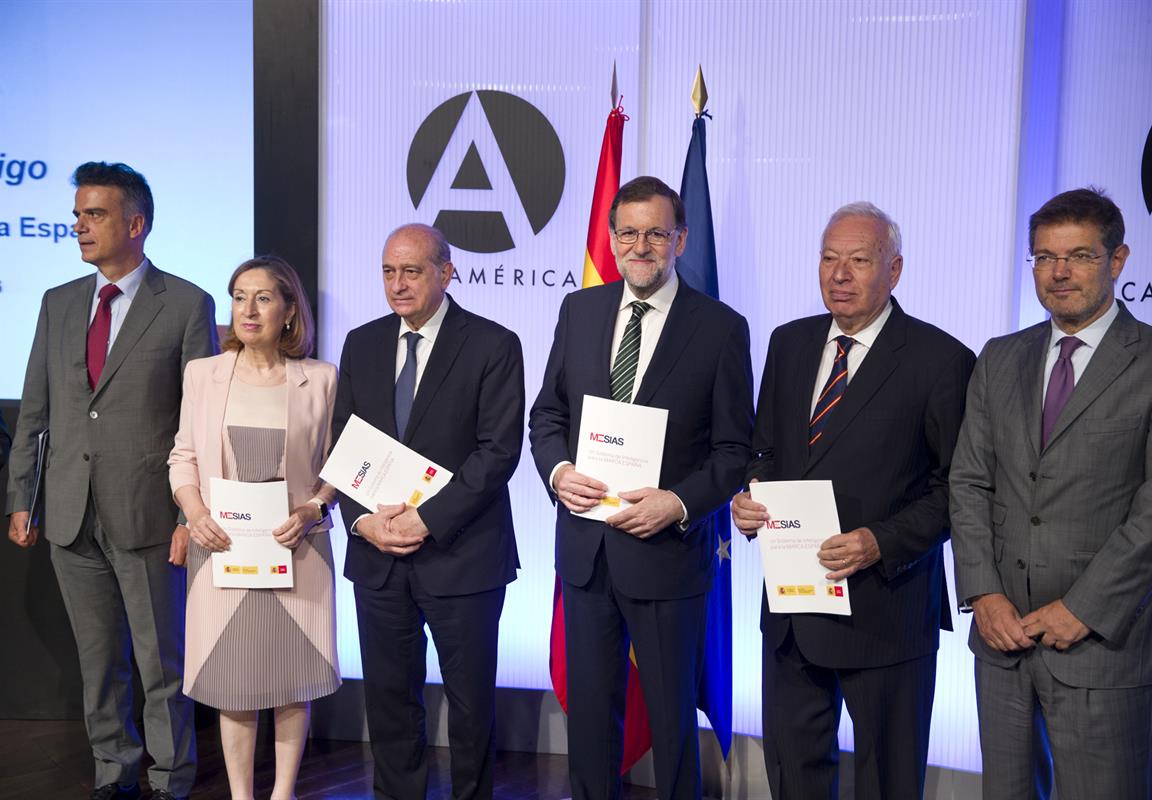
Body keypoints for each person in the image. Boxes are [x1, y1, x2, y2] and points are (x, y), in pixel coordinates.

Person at [950, 188, 1152, 799]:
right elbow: (970, 480)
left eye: (1080, 256)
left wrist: (1081, 609)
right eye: (1043, 257)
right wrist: (983, 593)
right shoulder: (1000, 357)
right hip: (1002, 641)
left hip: (1102, 647)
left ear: (1117, 262)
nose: (1059, 272)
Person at [731, 202, 975, 799]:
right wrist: (750, 497)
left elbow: (958, 489)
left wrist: (879, 542)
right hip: (793, 608)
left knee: (888, 782)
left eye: (858, 260)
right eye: (828, 258)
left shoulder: (941, 360)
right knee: (793, 775)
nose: (839, 274)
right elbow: (764, 450)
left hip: (886, 608)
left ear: (894, 270)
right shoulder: (788, 343)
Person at [529, 176, 754, 800]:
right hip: (586, 551)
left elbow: (734, 449)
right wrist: (558, 472)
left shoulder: (719, 327)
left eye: (656, 233)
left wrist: (677, 503)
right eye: (628, 232)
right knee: (592, 723)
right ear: (611, 238)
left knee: (673, 722)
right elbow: (547, 414)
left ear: (680, 239)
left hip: (668, 556)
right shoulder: (580, 310)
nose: (641, 245)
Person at [6, 161, 216, 800]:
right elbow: (35, 410)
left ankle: (170, 775)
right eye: (76, 215)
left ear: (136, 223)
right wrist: (22, 497)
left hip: (149, 512)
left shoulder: (185, 303)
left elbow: (200, 423)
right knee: (98, 663)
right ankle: (112, 771)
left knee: (159, 663)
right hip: (70, 511)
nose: (79, 227)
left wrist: (189, 515)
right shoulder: (59, 303)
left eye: (93, 215)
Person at [332, 223, 523, 800]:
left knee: (469, 707)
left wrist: (427, 519)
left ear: (447, 271)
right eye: (389, 271)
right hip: (378, 554)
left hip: (462, 556)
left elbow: (498, 454)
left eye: (412, 271)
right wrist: (363, 521)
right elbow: (344, 443)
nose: (398, 284)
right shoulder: (361, 342)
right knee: (389, 701)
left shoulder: (493, 343)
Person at [167, 256, 340, 800]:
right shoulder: (203, 374)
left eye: (263, 297)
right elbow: (183, 457)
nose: (248, 309)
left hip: (297, 549)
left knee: (292, 680)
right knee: (233, 680)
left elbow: (337, 465)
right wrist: (195, 515)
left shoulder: (321, 379)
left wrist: (315, 507)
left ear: (289, 310)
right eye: (239, 296)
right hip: (221, 549)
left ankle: (282, 792)